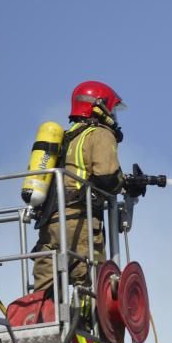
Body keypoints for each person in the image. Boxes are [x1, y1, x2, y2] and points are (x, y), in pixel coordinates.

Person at [32, 81, 127, 293]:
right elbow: (106, 178)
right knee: (88, 284)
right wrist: (125, 184)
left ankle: (39, 319)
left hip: (51, 223)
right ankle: (83, 321)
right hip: (79, 222)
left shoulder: (66, 138)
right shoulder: (100, 134)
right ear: (100, 107)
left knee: (45, 291)